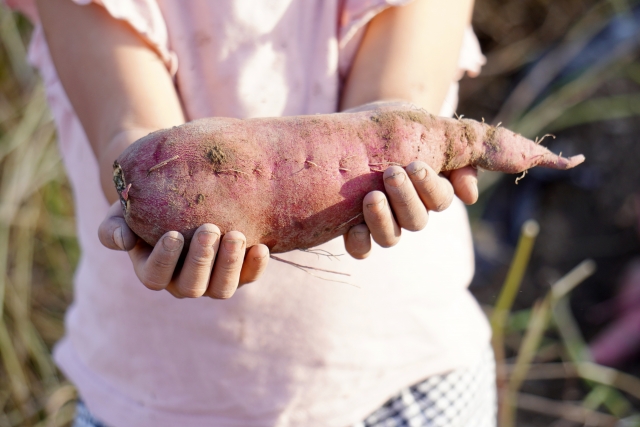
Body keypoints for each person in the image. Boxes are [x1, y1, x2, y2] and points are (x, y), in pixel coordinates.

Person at [8, 0, 495, 425]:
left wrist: (409, 151)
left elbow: (396, 109)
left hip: (406, 378)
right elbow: (130, 130)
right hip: (150, 399)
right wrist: (152, 213)